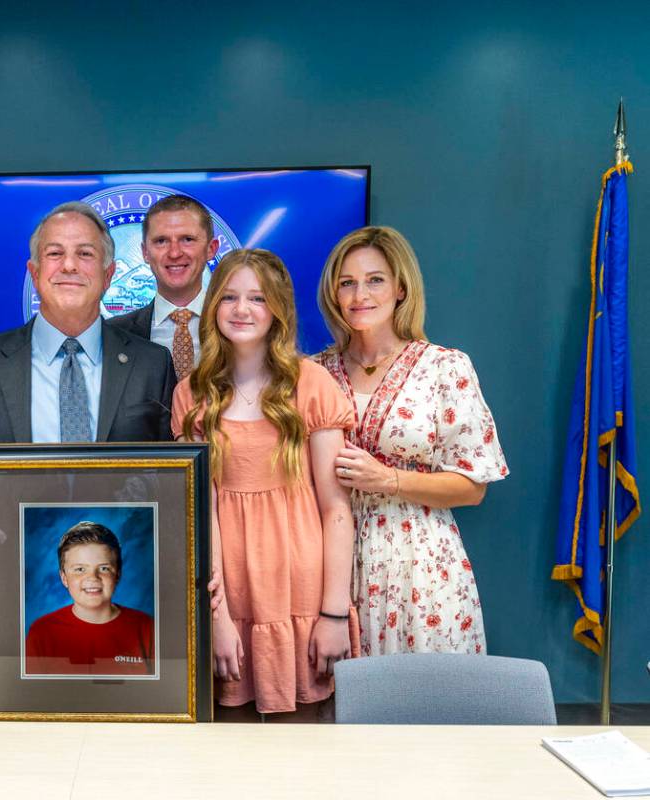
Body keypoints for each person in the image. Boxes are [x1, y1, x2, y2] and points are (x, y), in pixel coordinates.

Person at [173, 248, 357, 720]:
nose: (242, 309)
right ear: (212, 305)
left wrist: (334, 614)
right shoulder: (191, 393)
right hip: (227, 591)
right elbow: (200, 512)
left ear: (278, 309)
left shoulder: (312, 384)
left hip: (300, 587)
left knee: (306, 746)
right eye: (230, 296)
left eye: (257, 297)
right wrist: (217, 619)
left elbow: (336, 509)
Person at [313, 226, 507, 656]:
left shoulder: (445, 368)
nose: (359, 294)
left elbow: (473, 487)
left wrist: (389, 480)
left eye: (375, 279)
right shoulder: (313, 372)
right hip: (329, 565)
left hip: (420, 568)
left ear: (401, 288)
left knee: (429, 708)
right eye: (347, 283)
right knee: (338, 707)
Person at [0, 202, 176, 553]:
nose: (69, 265)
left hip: (128, 564)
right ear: (34, 272)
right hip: (14, 562)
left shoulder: (152, 363)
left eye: (85, 253)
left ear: (108, 274)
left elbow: (171, 472)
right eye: (55, 253)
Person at [107, 194, 219, 381]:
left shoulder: (239, 330)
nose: (174, 253)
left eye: (187, 239)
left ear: (211, 249)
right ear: (145, 253)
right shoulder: (113, 335)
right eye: (161, 241)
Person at [25, 521, 155, 676]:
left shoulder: (147, 628)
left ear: (118, 574)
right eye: (80, 569)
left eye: (104, 568)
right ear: (64, 577)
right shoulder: (42, 632)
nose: (93, 578)